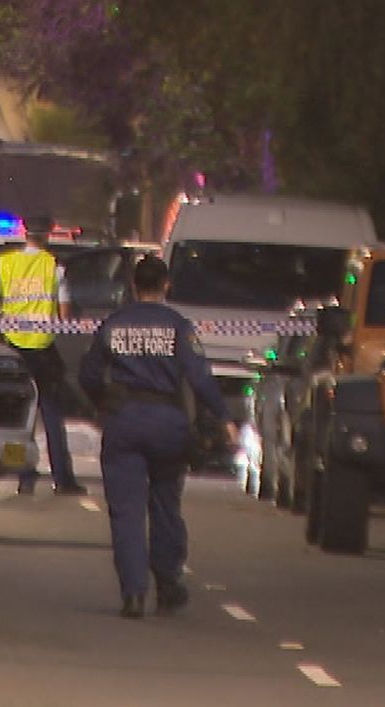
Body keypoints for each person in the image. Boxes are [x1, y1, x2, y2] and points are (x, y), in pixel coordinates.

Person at [78, 255, 234, 619]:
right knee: (165, 505)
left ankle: (133, 593)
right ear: (166, 285)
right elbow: (198, 376)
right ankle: (167, 583)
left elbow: (88, 374)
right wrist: (223, 416)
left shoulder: (113, 324)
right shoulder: (178, 326)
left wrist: (103, 403)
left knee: (127, 511)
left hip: (125, 421)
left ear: (133, 286)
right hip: (168, 422)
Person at [0, 215, 86, 495]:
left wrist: (1, 317)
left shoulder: (7, 263)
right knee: (51, 414)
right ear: (49, 233)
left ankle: (24, 475)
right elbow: (65, 315)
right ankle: (63, 479)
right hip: (43, 349)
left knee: (20, 415)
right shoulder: (54, 267)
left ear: (24, 232)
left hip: (13, 348)